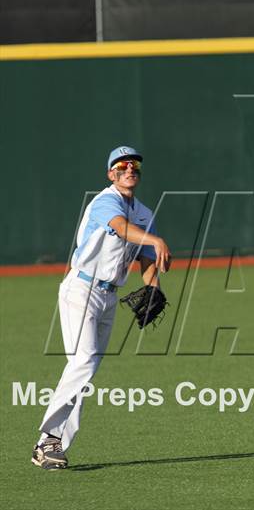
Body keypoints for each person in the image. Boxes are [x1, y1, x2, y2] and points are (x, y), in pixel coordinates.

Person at [31, 146, 171, 470]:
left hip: (109, 297)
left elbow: (146, 261)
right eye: (122, 165)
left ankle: (53, 448)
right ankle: (47, 438)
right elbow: (121, 228)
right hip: (81, 289)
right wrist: (157, 240)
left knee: (84, 370)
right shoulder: (104, 201)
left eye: (134, 164)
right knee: (84, 362)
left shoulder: (145, 214)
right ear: (111, 173)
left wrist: (154, 288)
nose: (129, 169)